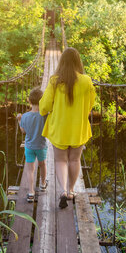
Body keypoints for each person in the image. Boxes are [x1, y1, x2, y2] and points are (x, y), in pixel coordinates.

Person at [39, 47, 96, 209]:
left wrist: (46, 110)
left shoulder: (55, 81)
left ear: (61, 61)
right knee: (74, 159)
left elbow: (44, 106)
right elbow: (91, 104)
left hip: (60, 128)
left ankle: (63, 190)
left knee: (60, 160)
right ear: (78, 62)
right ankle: (71, 190)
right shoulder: (86, 81)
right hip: (78, 127)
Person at [17, 87, 49, 203]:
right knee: (43, 165)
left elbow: (23, 130)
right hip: (41, 146)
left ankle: (31, 192)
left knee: (30, 170)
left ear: (29, 101)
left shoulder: (25, 116)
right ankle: (43, 184)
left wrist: (19, 120)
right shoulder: (45, 115)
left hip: (29, 147)